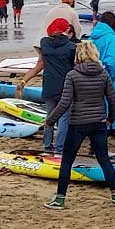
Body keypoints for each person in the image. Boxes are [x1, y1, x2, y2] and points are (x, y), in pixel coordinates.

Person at [43, 41, 115, 210]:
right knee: (104, 159)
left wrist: (50, 120)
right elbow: (113, 99)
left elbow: (64, 103)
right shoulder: (103, 74)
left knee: (67, 161)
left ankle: (60, 198)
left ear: (79, 55)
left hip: (78, 122)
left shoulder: (72, 75)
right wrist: (111, 118)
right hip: (99, 122)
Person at [19, 18, 76, 152]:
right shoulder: (70, 47)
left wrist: (23, 81)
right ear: (65, 30)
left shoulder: (44, 44)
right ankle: (60, 147)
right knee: (64, 117)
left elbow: (40, 64)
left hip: (49, 86)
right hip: (65, 86)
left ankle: (47, 144)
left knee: (50, 116)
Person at [90, 12, 115, 134]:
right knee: (108, 111)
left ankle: (93, 144)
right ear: (113, 24)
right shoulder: (112, 40)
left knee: (93, 112)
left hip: (88, 79)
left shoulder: (90, 39)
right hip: (107, 80)